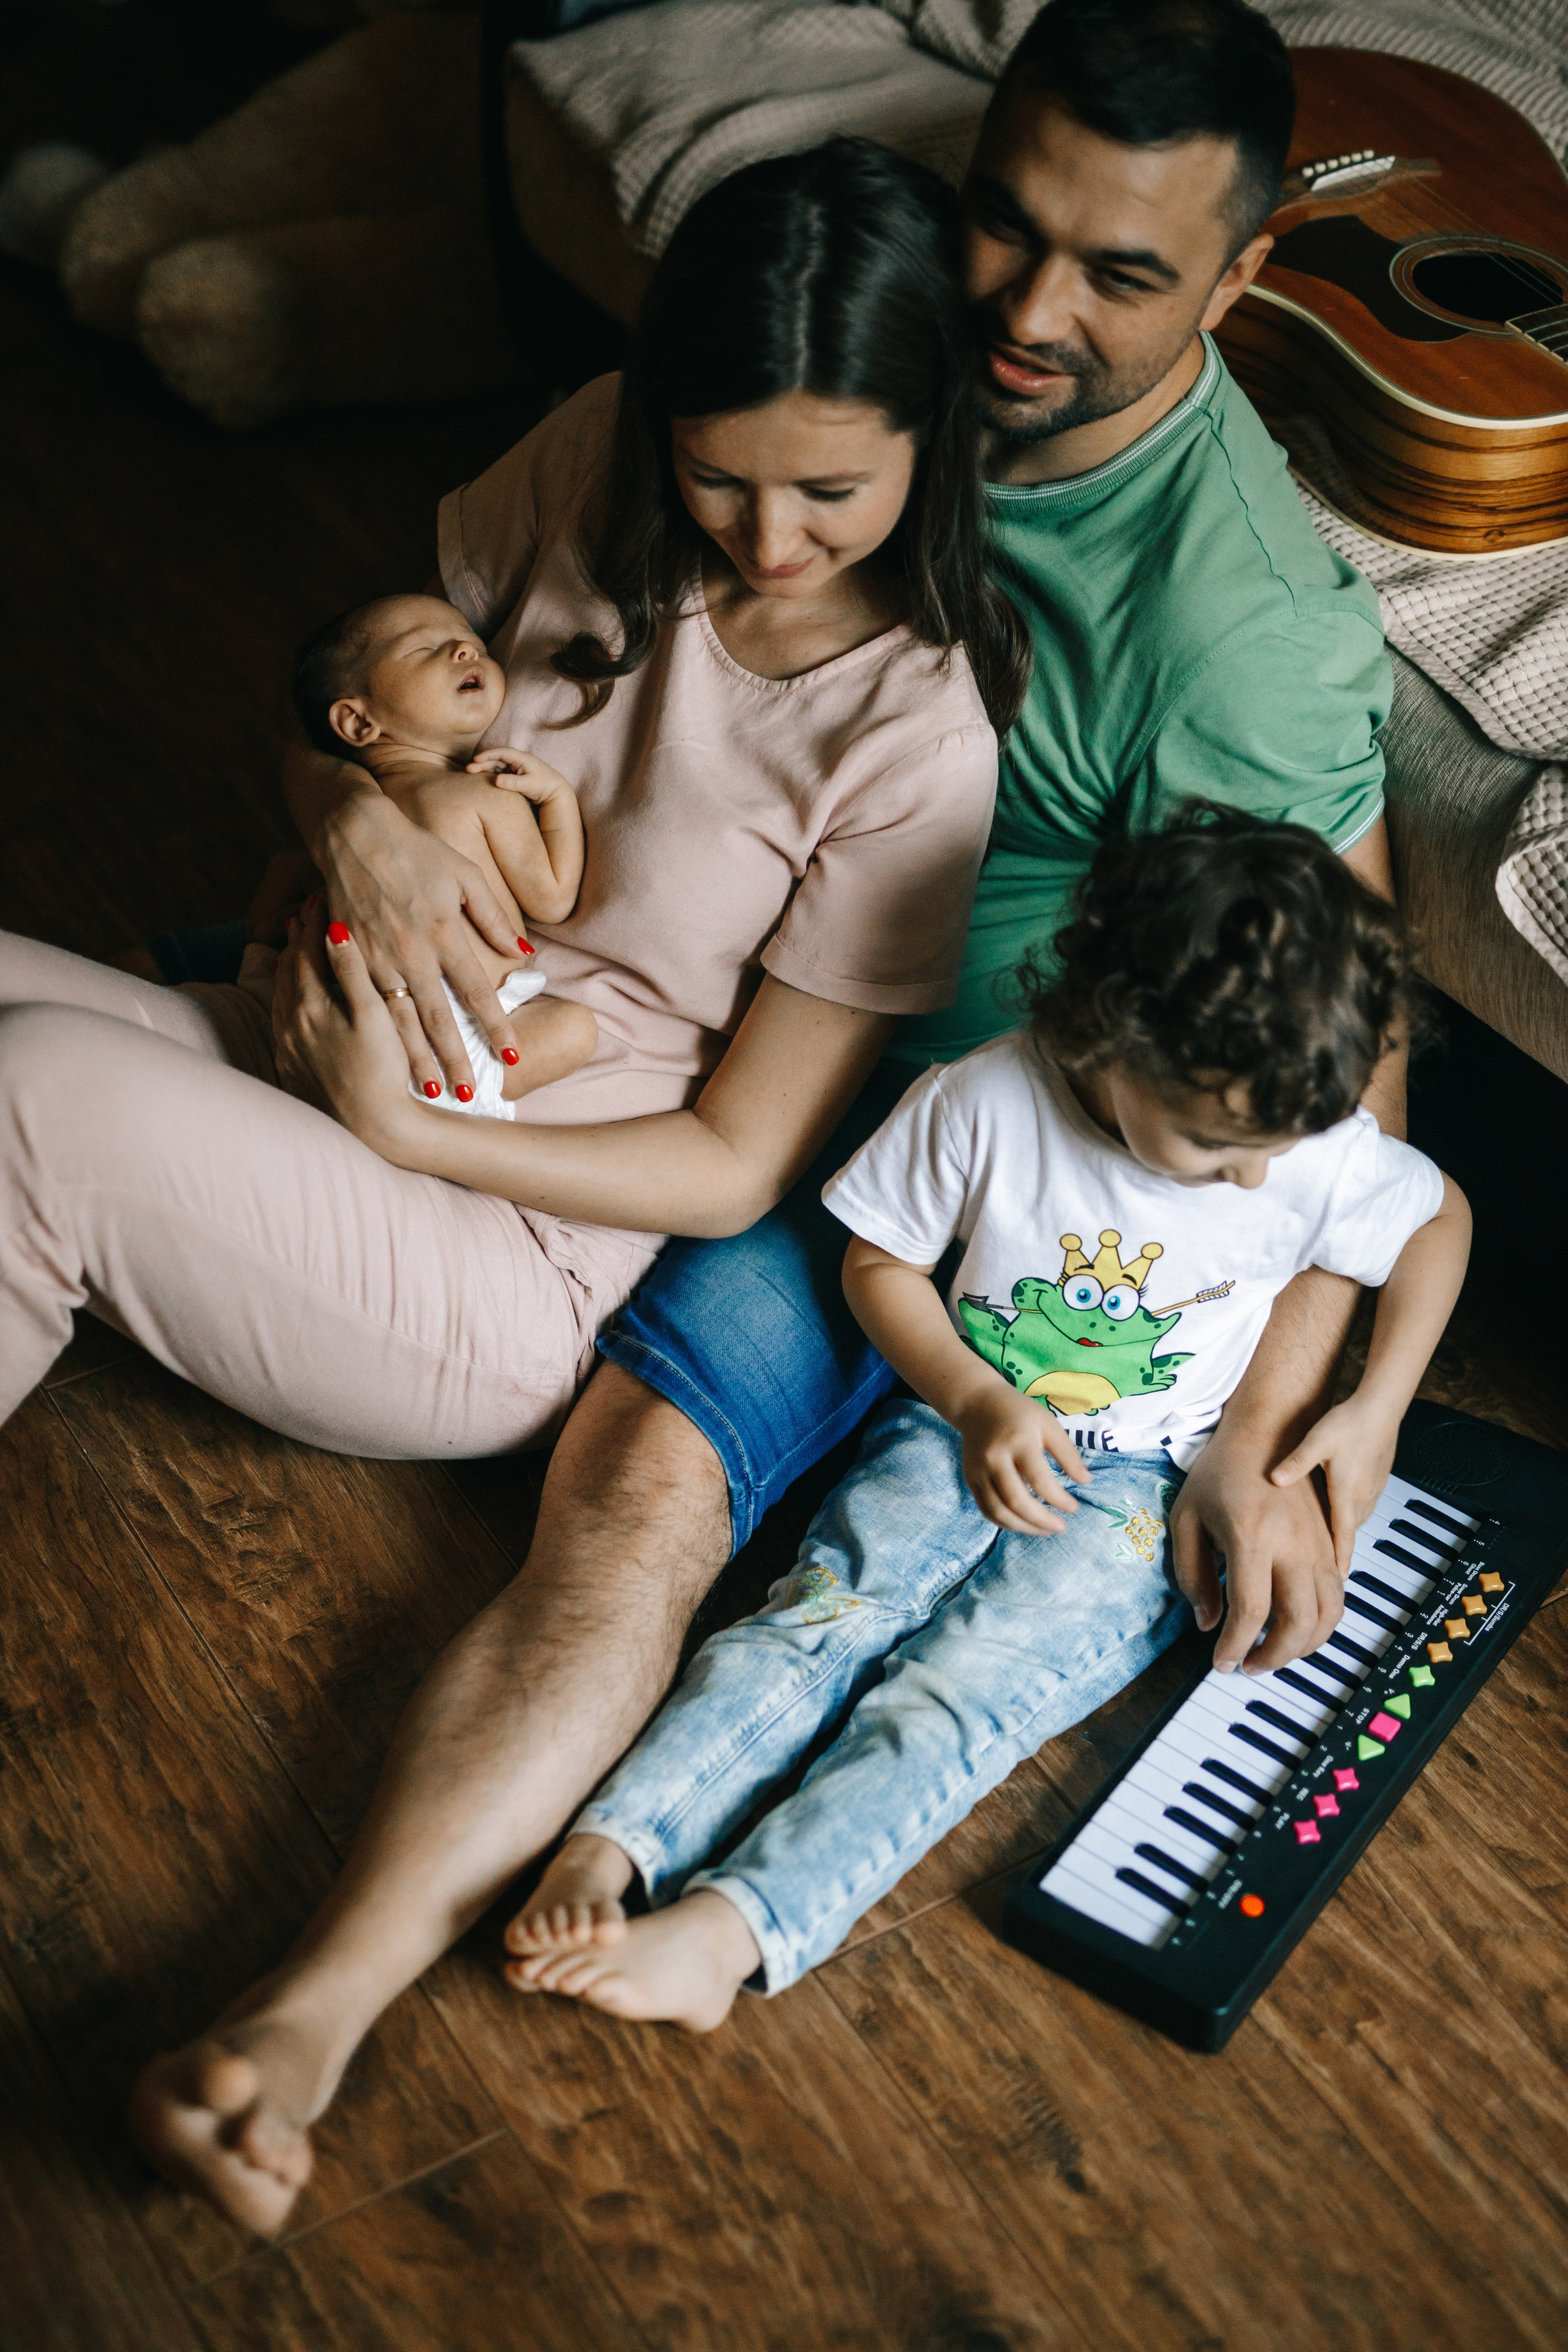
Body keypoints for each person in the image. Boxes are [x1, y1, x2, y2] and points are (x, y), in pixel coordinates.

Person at [117, 0, 1394, 2239]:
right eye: (1006, 225)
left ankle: (308, 2012)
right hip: (635, 1005)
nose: (1027, 311)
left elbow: (1346, 1037)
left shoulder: (1238, 627)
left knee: (633, 1501)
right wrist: (349, 808)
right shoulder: (830, 352)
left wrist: (1288, 1419)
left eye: (1118, 272)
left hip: (938, 1159)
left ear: (1244, 268)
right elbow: (404, 661)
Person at [509, 810, 1469, 2026]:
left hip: (1148, 1486)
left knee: (958, 1698)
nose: (1249, 1179)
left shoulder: (1297, 1138)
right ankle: (615, 1846)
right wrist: (975, 1399)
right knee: (819, 1619)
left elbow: (1438, 1221)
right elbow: (879, 1267)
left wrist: (1375, 1410)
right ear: (1112, 1035)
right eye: (1215, 1145)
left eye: (1269, 1151)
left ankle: (731, 1931)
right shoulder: (985, 1099)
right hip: (953, 1424)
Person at [284, 589, 600, 1110]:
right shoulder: (483, 793)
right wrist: (558, 798)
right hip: (463, 1044)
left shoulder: (345, 826)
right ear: (359, 722)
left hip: (342, 1025)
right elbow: (554, 899)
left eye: (474, 643)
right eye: (424, 648)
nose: (464, 650)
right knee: (576, 1030)